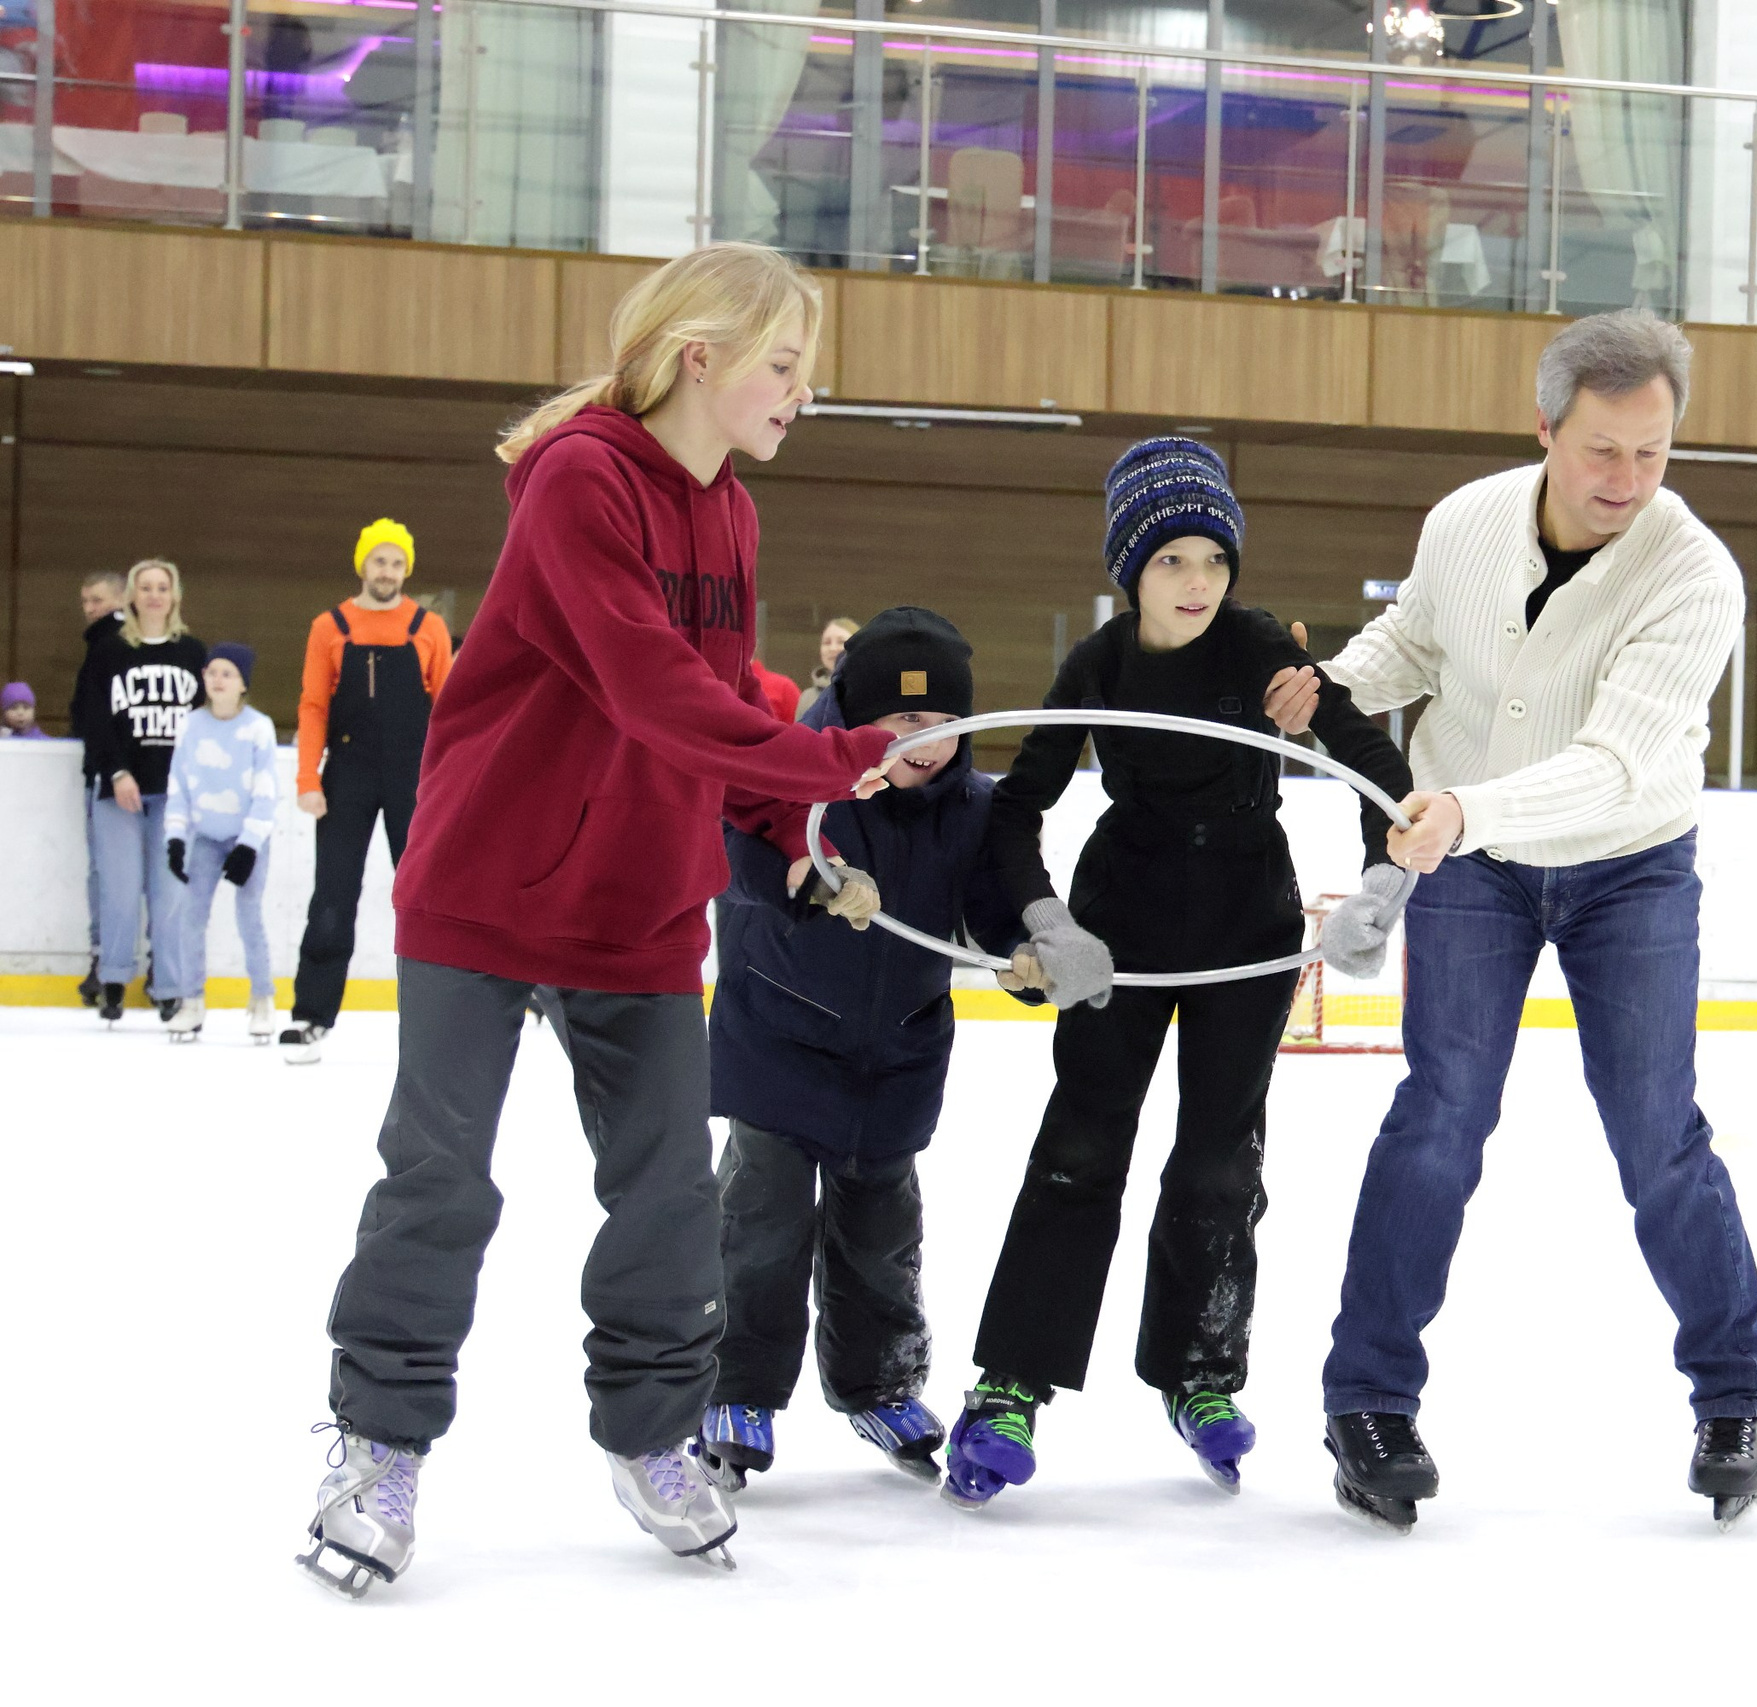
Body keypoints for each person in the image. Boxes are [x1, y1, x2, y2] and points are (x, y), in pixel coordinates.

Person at [299, 242, 899, 1600]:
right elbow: (646, 684)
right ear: (704, 356)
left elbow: (719, 704)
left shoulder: (730, 513)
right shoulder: (581, 479)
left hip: (635, 899)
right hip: (488, 885)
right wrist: (829, 757)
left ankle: (649, 1432)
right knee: (439, 1178)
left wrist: (780, 827)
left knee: (670, 1192)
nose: (802, 391)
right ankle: (379, 1440)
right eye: (785, 364)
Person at [1269, 311, 1757, 1534]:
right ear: (1544, 426)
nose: (1626, 482)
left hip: (1628, 865)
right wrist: (1333, 683)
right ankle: (1368, 1400)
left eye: (1652, 454)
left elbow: (1612, 764)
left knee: (1656, 1131)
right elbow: (1416, 641)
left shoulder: (1695, 575)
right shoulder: (1466, 519)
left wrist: (1464, 808)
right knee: (1441, 1112)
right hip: (1475, 865)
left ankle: (1736, 1394)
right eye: (1602, 451)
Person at [940, 437, 1412, 1509]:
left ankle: (1199, 1370)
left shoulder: (1262, 656)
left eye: (1211, 559)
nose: (1195, 583)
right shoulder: (1100, 666)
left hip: (1248, 934)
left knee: (1217, 1163)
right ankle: (1010, 1382)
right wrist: (1047, 917)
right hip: (1124, 937)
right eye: (1170, 563)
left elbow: (1383, 777)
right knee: (1079, 1149)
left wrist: (1378, 889)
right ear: (1130, 569)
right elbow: (1018, 809)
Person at [696, 607, 1037, 1497]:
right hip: (780, 1033)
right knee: (762, 1223)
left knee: (881, 1235)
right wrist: (804, 878)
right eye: (899, 721)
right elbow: (738, 851)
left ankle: (880, 1382)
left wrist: (1021, 959)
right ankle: (736, 1388)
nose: (922, 741)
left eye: (940, 722)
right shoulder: (799, 772)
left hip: (897, 1051)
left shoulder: (975, 808)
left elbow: (993, 912)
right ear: (854, 717)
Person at [280, 519, 455, 1065]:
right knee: (333, 894)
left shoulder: (429, 628)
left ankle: (438, 1013)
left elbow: (450, 714)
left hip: (415, 778)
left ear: (408, 569)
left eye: (397, 563)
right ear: (363, 565)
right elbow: (312, 706)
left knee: (425, 897)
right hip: (346, 775)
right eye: (379, 561)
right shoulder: (329, 626)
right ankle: (311, 1013)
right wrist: (308, 778)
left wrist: (450, 785)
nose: (388, 572)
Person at [75, 559, 206, 1028]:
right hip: (120, 790)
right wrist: (116, 773)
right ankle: (113, 978)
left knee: (170, 892)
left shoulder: (192, 653)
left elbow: (202, 726)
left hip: (174, 795)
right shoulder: (109, 651)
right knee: (119, 890)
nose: (154, 595)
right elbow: (95, 719)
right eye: (145, 587)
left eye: (162, 587)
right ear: (132, 595)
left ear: (174, 596)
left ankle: (169, 987)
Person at [162, 643, 279, 1044]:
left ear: (242, 683)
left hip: (248, 837)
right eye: (211, 671)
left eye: (227, 673)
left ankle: (262, 998)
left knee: (249, 917)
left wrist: (248, 845)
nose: (217, 679)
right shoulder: (190, 725)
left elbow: (266, 792)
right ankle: (191, 1000)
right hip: (205, 838)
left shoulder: (257, 727)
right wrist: (175, 838)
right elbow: (177, 786)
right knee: (190, 918)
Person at [71, 569, 130, 1006]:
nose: (89, 609)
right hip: (114, 774)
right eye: (85, 601)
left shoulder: (107, 646)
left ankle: (106, 962)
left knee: (109, 876)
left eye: (97, 599)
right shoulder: (104, 644)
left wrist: (105, 767)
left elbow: (94, 714)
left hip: (110, 778)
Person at [796, 614, 858, 717]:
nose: (832, 648)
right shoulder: (808, 697)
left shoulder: (872, 691)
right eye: (827, 643)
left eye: (841, 642)